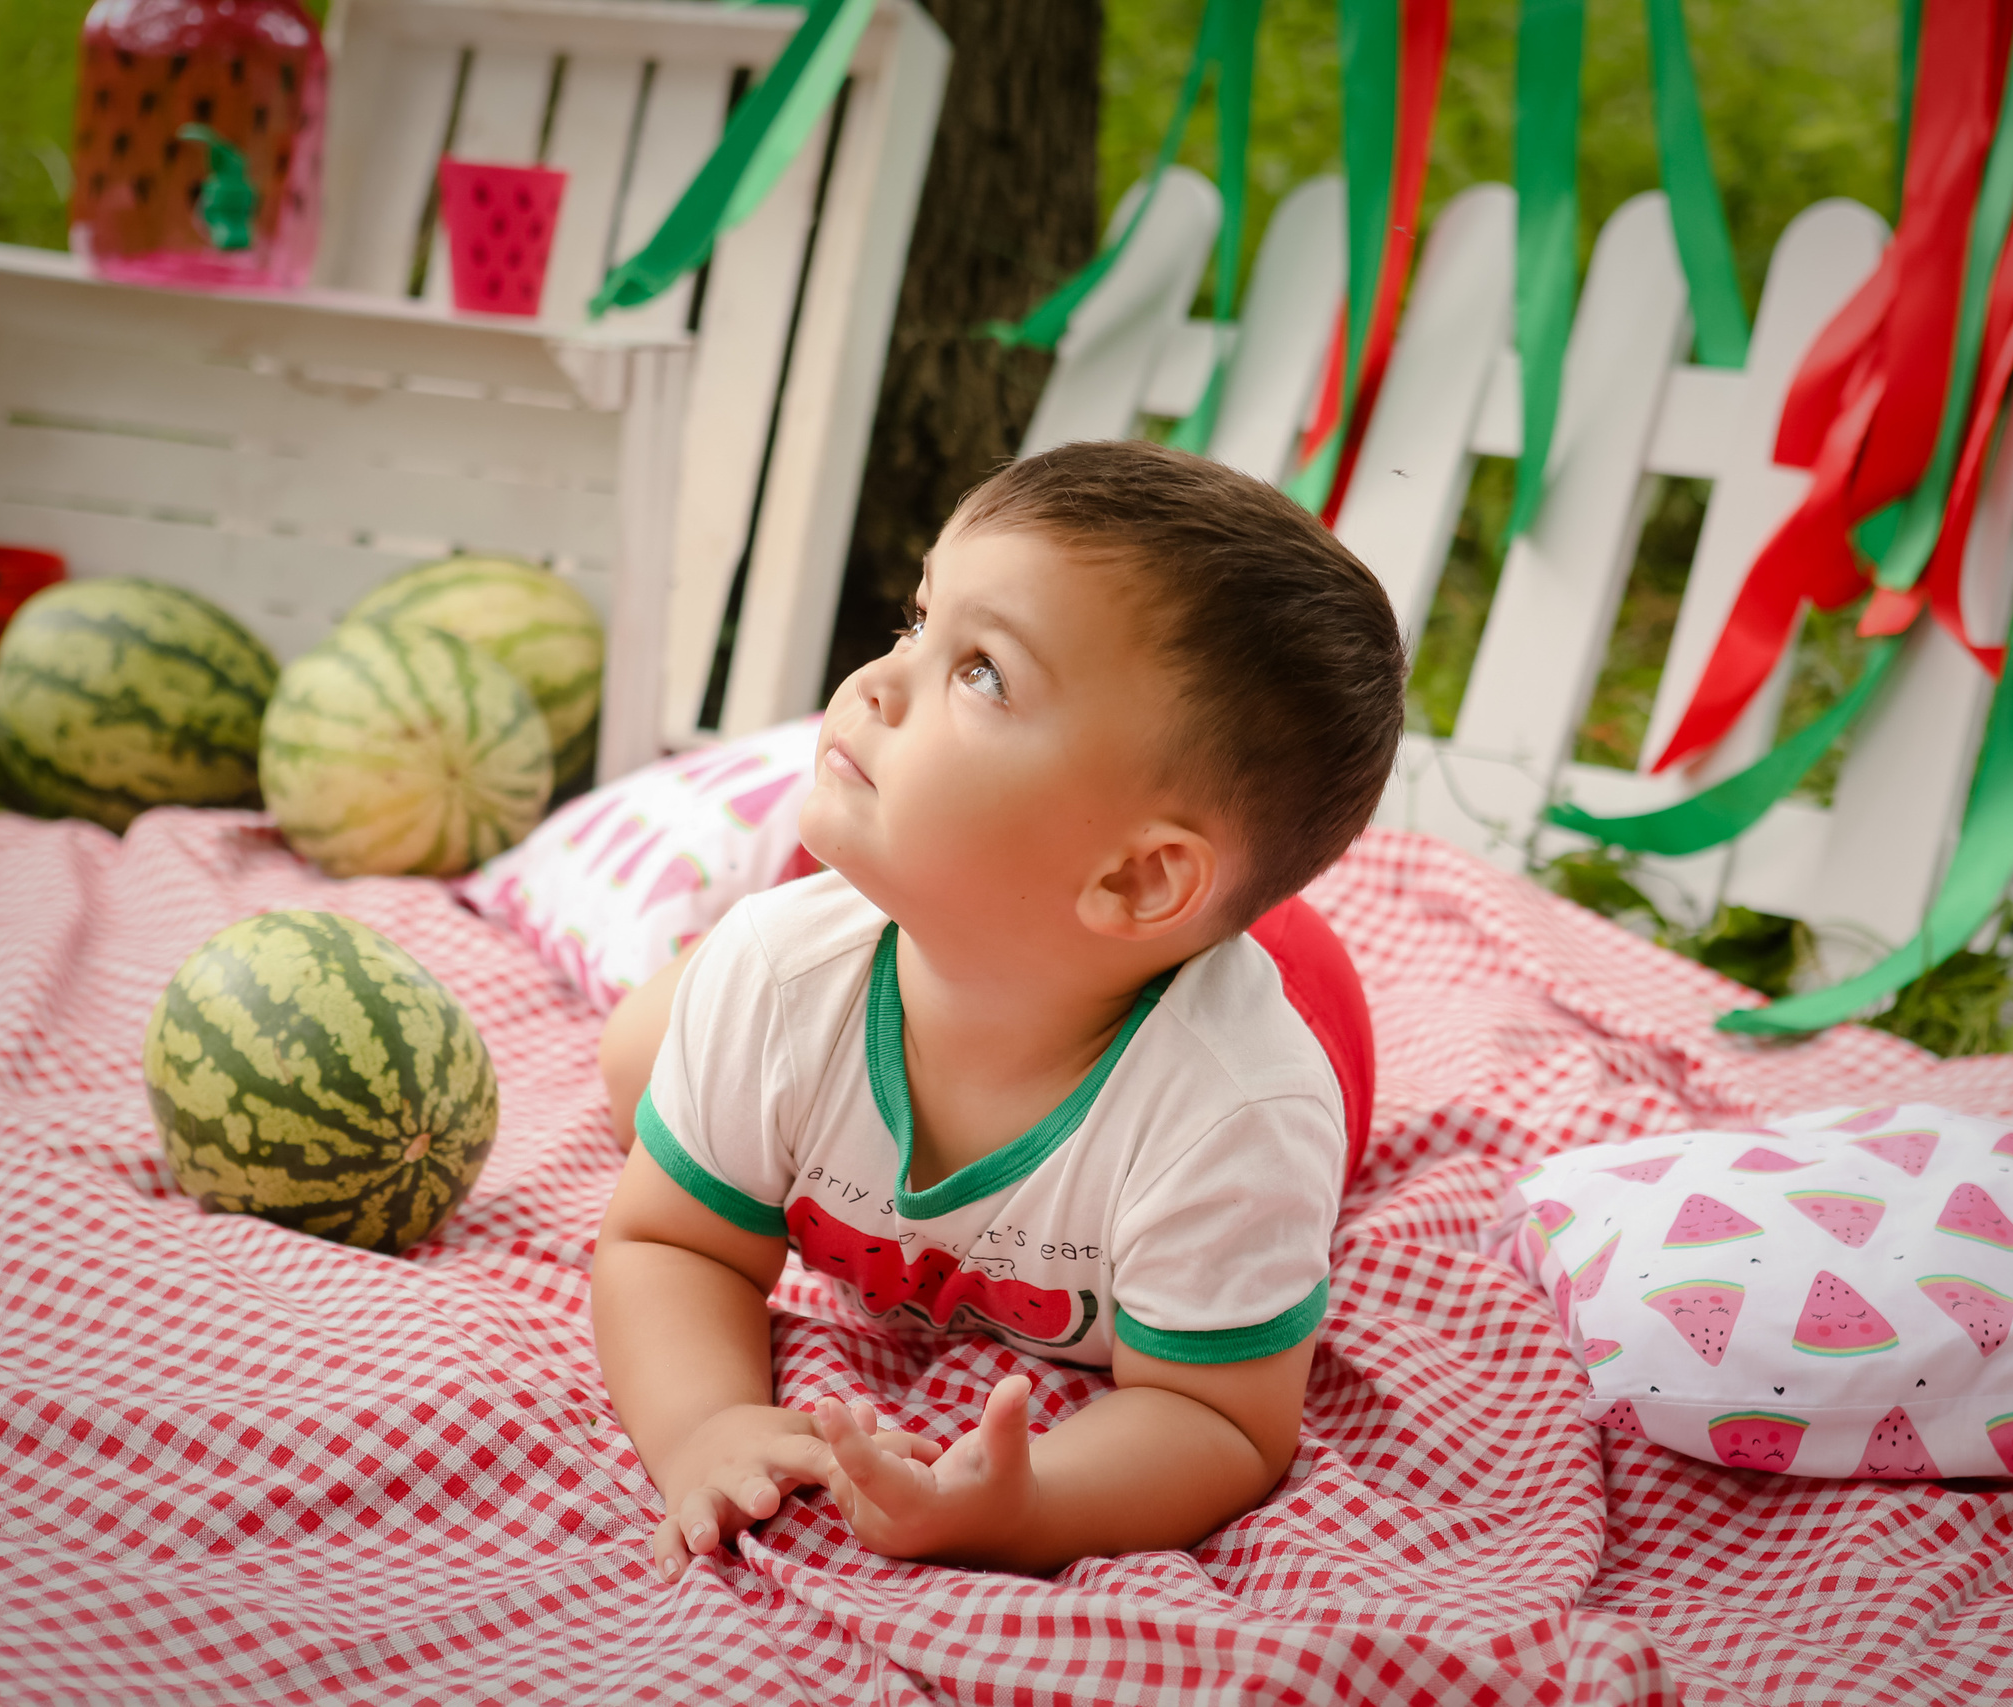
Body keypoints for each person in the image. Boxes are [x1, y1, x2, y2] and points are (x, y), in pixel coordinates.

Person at [590, 440, 1406, 1579]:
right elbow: (668, 1244)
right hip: (962, 939)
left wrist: (1033, 1507)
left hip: (1275, 984)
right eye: (917, 623)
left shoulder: (1238, 1119)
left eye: (980, 671)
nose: (874, 679)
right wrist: (703, 1425)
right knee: (639, 1056)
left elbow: (1219, 1420)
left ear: (1134, 878)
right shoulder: (774, 977)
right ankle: (858, 910)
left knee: (699, 1054)